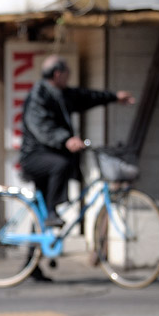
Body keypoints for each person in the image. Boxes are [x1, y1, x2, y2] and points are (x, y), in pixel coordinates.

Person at [19, 56, 135, 281]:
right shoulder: (38, 96)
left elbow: (85, 97)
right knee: (60, 169)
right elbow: (41, 127)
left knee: (39, 215)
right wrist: (66, 139)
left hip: (50, 155)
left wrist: (113, 97)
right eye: (67, 73)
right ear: (57, 74)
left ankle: (30, 263)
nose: (68, 77)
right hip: (35, 157)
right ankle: (52, 212)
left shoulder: (61, 95)